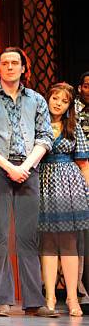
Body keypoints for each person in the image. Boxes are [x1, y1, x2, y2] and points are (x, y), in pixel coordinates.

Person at [0, 46, 56, 317]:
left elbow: (45, 137)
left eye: (15, 63)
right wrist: (10, 167)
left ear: (23, 68)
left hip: (29, 169)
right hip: (0, 169)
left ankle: (34, 301)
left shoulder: (37, 99)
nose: (10, 67)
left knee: (28, 237)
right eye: (5, 63)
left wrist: (25, 166)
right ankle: (2, 300)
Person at [38, 82, 89, 317]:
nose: (58, 103)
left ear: (69, 105)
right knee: (47, 243)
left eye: (64, 100)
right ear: (47, 99)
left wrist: (85, 193)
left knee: (69, 243)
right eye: (55, 98)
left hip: (69, 184)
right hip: (44, 183)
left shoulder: (73, 126)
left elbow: (83, 163)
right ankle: (49, 297)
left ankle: (71, 297)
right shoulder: (38, 124)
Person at [74, 70, 89, 310]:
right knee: (78, 236)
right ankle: (78, 288)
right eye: (87, 85)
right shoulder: (71, 111)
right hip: (77, 173)